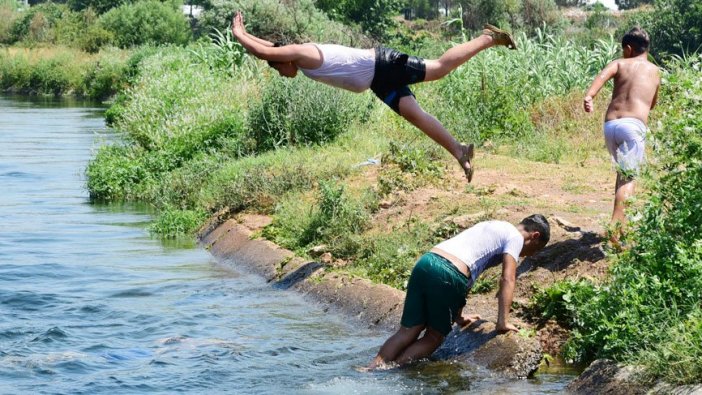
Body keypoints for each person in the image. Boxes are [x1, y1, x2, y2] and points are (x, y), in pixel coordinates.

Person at [231, 11, 517, 183]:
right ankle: (460, 151)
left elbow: (268, 51)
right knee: (417, 117)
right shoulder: (299, 62)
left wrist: (239, 34)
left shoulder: (301, 52)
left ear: (284, 60)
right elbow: (269, 47)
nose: (281, 74)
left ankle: (488, 38)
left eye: (278, 68)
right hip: (377, 82)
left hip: (383, 64)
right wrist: (248, 35)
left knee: (440, 69)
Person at [367, 214, 550, 369]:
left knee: (407, 332)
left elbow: (468, 269)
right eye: (536, 250)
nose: (530, 255)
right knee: (433, 337)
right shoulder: (516, 238)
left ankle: (372, 369)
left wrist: (459, 316)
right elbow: (508, 278)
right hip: (448, 273)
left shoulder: (495, 225)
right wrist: (502, 322)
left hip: (426, 262)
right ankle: (394, 373)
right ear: (535, 235)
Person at [583, 27, 660, 246]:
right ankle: (614, 234)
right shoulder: (654, 71)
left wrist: (589, 97)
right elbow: (652, 104)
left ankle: (620, 226)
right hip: (632, 127)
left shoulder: (619, 63)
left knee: (622, 176)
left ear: (628, 48)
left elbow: (601, 79)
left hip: (610, 126)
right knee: (629, 179)